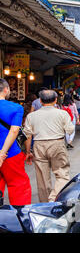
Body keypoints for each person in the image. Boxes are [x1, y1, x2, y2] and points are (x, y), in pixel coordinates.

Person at [23, 90, 74, 203]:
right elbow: (70, 130)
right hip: (57, 144)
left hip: (38, 145)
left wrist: (28, 152)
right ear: (56, 100)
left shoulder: (31, 116)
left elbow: (27, 135)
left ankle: (46, 205)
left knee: (42, 179)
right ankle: (53, 198)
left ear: (40, 101)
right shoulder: (62, 113)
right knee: (62, 175)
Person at [0, 78, 32, 206]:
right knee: (18, 185)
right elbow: (14, 131)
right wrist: (2, 153)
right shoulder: (16, 108)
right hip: (11, 153)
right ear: (6, 89)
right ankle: (19, 218)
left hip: (6, 154)